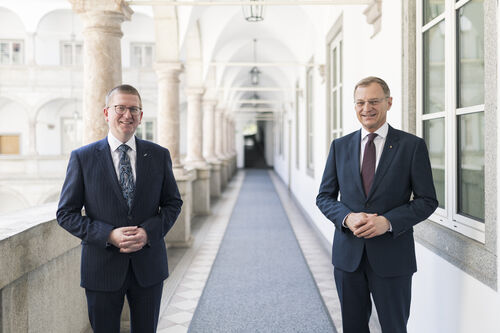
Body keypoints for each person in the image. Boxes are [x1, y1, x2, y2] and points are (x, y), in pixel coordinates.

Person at [57, 84, 183, 333]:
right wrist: (108, 235)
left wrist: (148, 232)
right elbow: (65, 214)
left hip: (148, 267)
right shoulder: (83, 158)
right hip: (101, 269)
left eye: (134, 109)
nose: (127, 115)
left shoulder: (158, 155)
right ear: (106, 113)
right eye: (120, 108)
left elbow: (173, 203)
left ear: (141, 115)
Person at [316, 76, 438, 333]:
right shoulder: (340, 147)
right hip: (348, 258)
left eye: (373, 101)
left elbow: (427, 200)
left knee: (394, 327)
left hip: (393, 258)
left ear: (389, 102)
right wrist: (347, 217)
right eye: (360, 102)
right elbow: (324, 197)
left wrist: (388, 222)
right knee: (353, 328)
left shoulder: (411, 146)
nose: (366, 108)